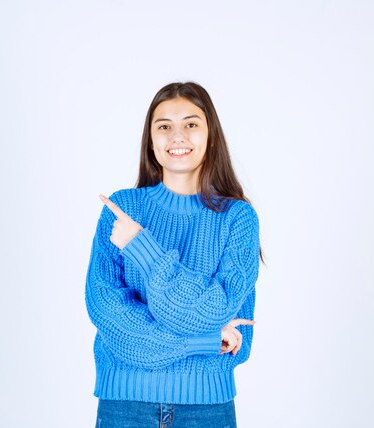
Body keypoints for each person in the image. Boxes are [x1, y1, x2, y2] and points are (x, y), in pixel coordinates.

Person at [85, 81, 261, 427]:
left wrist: (141, 246)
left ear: (211, 136)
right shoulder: (121, 209)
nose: (177, 136)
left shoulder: (238, 218)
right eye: (164, 126)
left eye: (191, 124)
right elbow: (113, 322)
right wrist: (206, 340)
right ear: (151, 141)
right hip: (125, 408)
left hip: (206, 411)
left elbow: (215, 308)